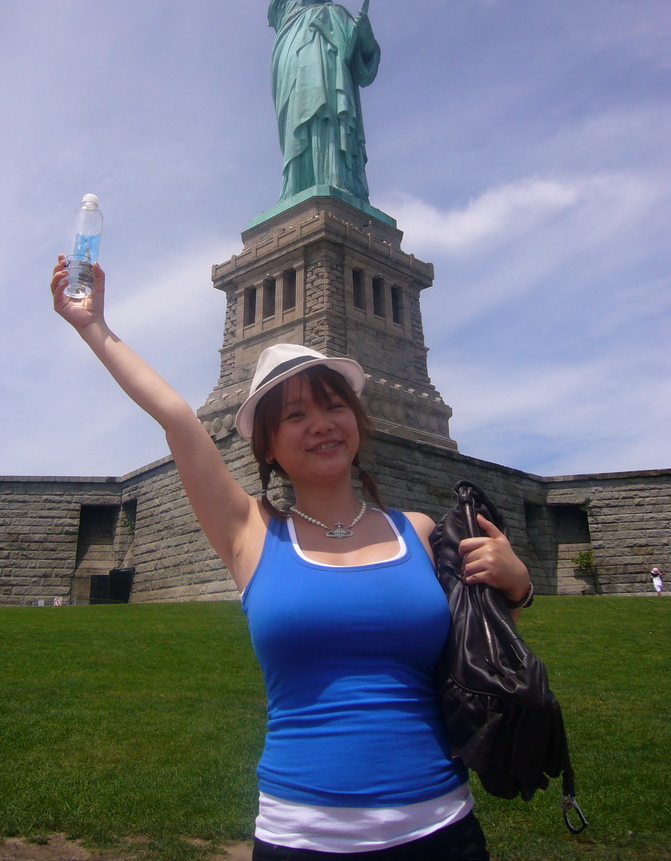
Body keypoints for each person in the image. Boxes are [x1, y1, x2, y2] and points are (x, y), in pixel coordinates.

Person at [51, 258, 532, 861]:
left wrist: (515, 590)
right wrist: (93, 326)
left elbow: (479, 660)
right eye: (295, 416)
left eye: (333, 408)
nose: (321, 426)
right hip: (301, 836)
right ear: (269, 447)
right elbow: (176, 417)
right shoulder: (250, 534)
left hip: (441, 828)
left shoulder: (419, 531)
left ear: (356, 423)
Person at [245, 0, 380, 203]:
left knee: (329, 125)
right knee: (299, 132)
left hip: (331, 85)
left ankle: (336, 180)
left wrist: (366, 38)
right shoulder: (288, 14)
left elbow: (361, 65)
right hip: (295, 86)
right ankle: (297, 186)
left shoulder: (337, 13)